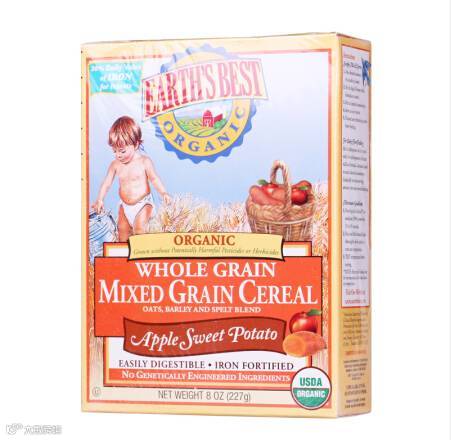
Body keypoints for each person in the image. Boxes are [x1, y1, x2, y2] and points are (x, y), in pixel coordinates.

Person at [92, 116, 171, 241]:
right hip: (124, 205)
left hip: (143, 204)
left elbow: (154, 179)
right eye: (114, 151)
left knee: (139, 229)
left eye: (122, 151)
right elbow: (106, 183)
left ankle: (142, 251)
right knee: (122, 230)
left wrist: (164, 193)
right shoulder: (115, 165)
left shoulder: (144, 162)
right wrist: (100, 199)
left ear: (135, 144)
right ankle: (124, 252)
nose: (118, 155)